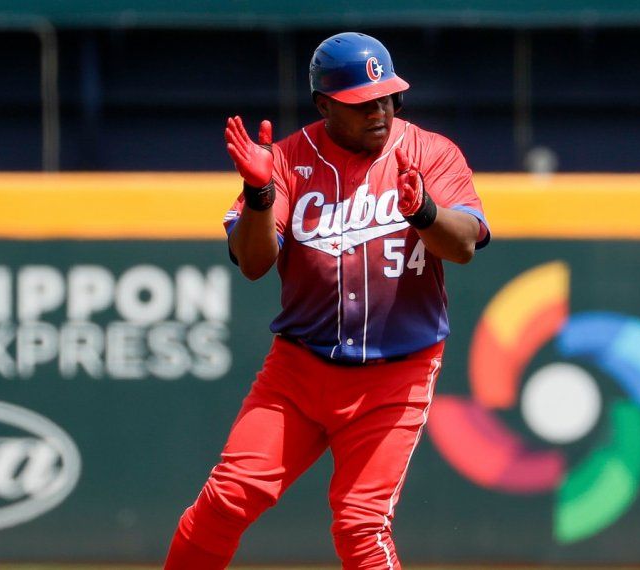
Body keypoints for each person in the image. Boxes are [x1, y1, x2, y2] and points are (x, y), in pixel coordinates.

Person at [165, 31, 490, 569]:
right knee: (226, 501)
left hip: (398, 373)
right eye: (361, 103)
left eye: (386, 97)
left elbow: (463, 248)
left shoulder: (431, 152)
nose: (378, 111)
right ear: (324, 105)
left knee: (361, 523)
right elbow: (253, 263)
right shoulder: (290, 159)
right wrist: (260, 195)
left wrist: (425, 213)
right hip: (300, 370)